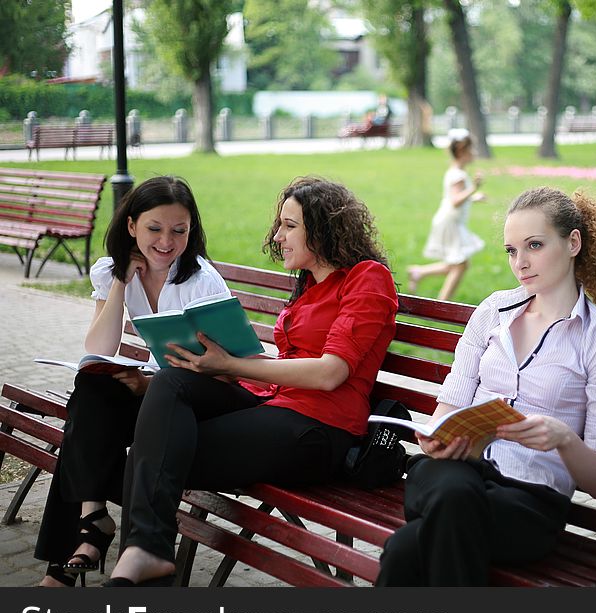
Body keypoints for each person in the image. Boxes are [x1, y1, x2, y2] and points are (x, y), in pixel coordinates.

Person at [104, 176, 399, 586]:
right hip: (275, 408)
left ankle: (144, 567)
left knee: (150, 455)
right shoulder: (309, 288)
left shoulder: (366, 278)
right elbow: (282, 367)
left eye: (290, 225)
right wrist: (217, 364)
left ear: (324, 227)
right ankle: (147, 559)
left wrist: (234, 366)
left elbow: (331, 373)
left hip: (318, 429)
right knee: (171, 385)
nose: (278, 236)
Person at [377, 186, 596, 586]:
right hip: (453, 473)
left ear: (573, 242)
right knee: (451, 494)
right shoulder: (491, 313)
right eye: (511, 250)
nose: (520, 263)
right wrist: (437, 440)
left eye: (534, 245)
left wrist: (563, 439)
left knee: (406, 550)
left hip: (528, 504)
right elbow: (448, 410)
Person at [36, 176, 230, 587]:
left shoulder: (201, 281)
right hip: (161, 389)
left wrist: (150, 383)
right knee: (91, 391)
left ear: (191, 230)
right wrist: (122, 284)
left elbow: (220, 368)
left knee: (85, 423)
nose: (166, 241)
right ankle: (90, 524)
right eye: (154, 229)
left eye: (179, 230)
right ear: (131, 227)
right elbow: (99, 346)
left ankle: (78, 547)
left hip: (202, 397)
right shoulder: (114, 272)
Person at [407, 131, 486, 301]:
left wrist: (473, 198)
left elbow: (456, 198)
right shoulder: (458, 175)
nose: (474, 153)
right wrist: (474, 187)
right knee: (461, 264)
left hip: (451, 221)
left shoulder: (456, 171)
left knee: (457, 264)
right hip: (450, 222)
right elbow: (456, 200)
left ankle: (419, 273)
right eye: (471, 150)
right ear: (461, 152)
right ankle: (442, 302)